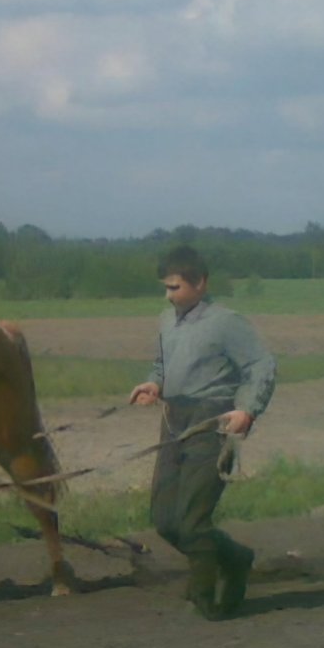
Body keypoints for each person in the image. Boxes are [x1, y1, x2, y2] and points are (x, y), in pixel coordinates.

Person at [129, 246, 276, 620]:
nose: (168, 295)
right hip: (174, 421)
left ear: (200, 283)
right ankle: (237, 558)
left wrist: (247, 409)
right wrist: (153, 385)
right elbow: (161, 364)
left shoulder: (226, 322)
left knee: (193, 521)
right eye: (166, 287)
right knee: (166, 521)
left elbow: (260, 366)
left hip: (211, 421)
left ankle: (206, 596)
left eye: (175, 287)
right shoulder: (167, 320)